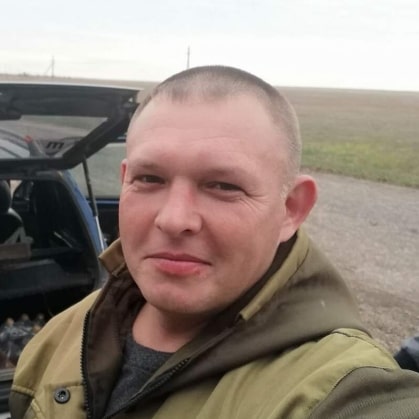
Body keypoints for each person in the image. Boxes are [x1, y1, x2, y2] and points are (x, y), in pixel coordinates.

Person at [9, 66, 419, 419]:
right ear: (124, 181)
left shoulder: (339, 390)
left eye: (223, 186)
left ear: (291, 208)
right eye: (149, 179)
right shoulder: (64, 335)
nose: (174, 219)